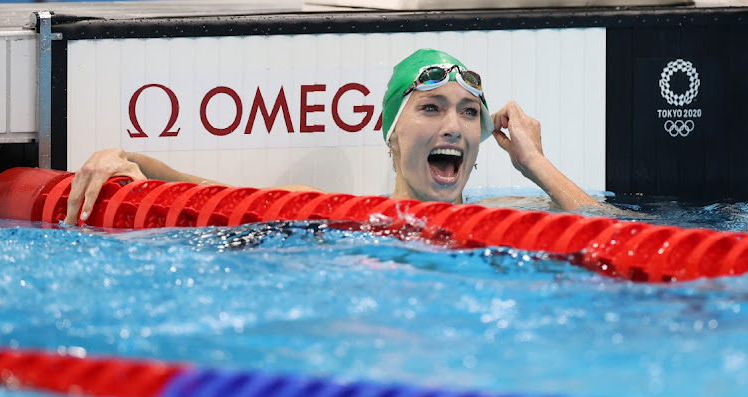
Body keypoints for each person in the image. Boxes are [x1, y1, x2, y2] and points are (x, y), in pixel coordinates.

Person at [64, 48, 599, 225]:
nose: (453, 127)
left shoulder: (517, 211)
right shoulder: (346, 214)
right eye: (431, 108)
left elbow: (614, 237)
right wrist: (128, 157)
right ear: (388, 133)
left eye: (467, 113)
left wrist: (537, 165)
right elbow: (227, 199)